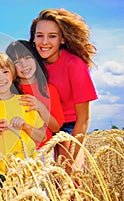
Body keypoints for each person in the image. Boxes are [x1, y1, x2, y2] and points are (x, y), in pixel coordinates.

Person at [29, 8, 98, 172]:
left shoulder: (74, 65)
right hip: (41, 125)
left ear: (62, 39)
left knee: (69, 181)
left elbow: (83, 118)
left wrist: (71, 157)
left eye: (52, 36)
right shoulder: (31, 64)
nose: (44, 42)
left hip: (69, 129)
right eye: (39, 36)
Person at [0, 52, 46, 175]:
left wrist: (26, 127)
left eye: (5, 72)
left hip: (29, 171)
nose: (0, 78)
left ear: (12, 74)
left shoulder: (25, 101)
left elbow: (42, 136)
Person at [5, 40, 64, 150]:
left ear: (36, 58)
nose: (24, 65)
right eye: (17, 62)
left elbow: (56, 127)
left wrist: (41, 107)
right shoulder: (8, 91)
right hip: (17, 152)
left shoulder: (50, 90)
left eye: (27, 58)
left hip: (43, 152)